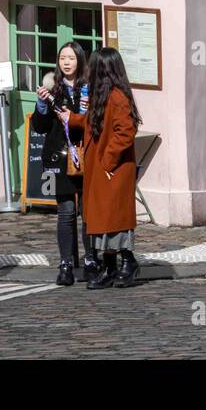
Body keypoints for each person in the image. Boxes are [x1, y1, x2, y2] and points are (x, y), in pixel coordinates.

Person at [62, 47, 141, 289]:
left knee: (113, 219)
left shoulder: (117, 97)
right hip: (102, 170)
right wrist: (72, 118)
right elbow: (92, 121)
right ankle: (110, 266)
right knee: (102, 219)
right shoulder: (102, 95)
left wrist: (107, 162)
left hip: (112, 170)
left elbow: (125, 132)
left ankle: (128, 262)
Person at [30, 42, 94, 285]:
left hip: (86, 156)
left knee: (88, 212)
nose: (66, 62)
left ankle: (90, 259)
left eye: (71, 58)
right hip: (59, 156)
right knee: (66, 212)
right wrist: (42, 104)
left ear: (80, 60)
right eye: (62, 58)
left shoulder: (89, 88)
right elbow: (41, 126)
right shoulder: (52, 89)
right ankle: (66, 263)